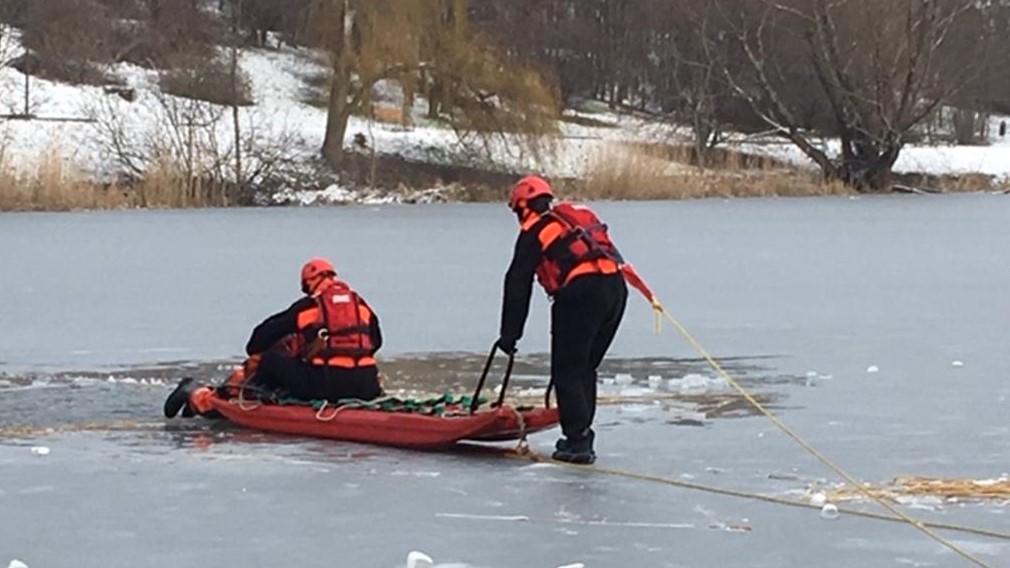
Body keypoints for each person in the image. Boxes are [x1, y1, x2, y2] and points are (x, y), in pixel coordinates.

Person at [495, 175, 633, 465]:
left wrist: (510, 335)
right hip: (615, 289)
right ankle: (582, 433)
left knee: (568, 369)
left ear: (523, 206)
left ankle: (578, 441)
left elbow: (517, 283)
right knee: (585, 367)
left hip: (581, 293)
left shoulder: (536, 230)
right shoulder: (572, 221)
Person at [164, 257, 384, 417]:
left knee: (268, 361)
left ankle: (219, 399)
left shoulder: (309, 307)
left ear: (309, 283)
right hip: (365, 387)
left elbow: (258, 341)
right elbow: (376, 341)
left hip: (325, 385)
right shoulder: (361, 306)